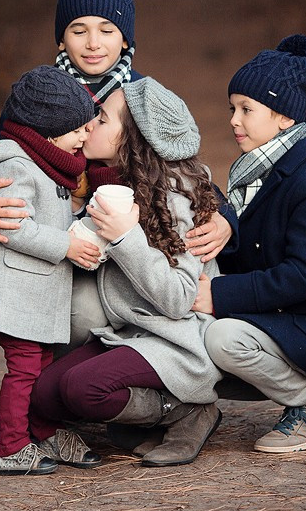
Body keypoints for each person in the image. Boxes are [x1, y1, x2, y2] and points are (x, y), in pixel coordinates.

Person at [0, 0, 233, 263]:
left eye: (106, 31)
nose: (93, 43)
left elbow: (180, 163)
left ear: (125, 40)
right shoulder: (39, 94)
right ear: (61, 40)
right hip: (53, 245)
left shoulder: (139, 95)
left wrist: (226, 219)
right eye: (79, 31)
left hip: (126, 250)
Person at [31, 78, 224, 468]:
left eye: (101, 119)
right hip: (128, 333)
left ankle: (186, 410)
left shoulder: (176, 196)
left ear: (130, 138)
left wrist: (124, 237)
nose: (89, 126)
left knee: (82, 389)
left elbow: (178, 299)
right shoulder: (111, 186)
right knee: (43, 394)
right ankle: (143, 413)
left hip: (176, 338)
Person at [193, 35, 306, 454]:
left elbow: (302, 277)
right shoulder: (255, 175)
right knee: (203, 333)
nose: (234, 120)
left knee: (222, 339)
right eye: (232, 108)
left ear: (285, 118)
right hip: (287, 314)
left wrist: (216, 295)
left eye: (247, 110)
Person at [0, 65, 104, 476]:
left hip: (34, 291)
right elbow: (15, 226)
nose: (85, 137)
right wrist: (67, 246)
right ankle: (9, 446)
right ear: (48, 130)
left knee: (42, 366)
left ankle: (43, 430)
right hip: (15, 292)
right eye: (78, 129)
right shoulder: (19, 167)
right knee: (25, 369)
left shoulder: (48, 162)